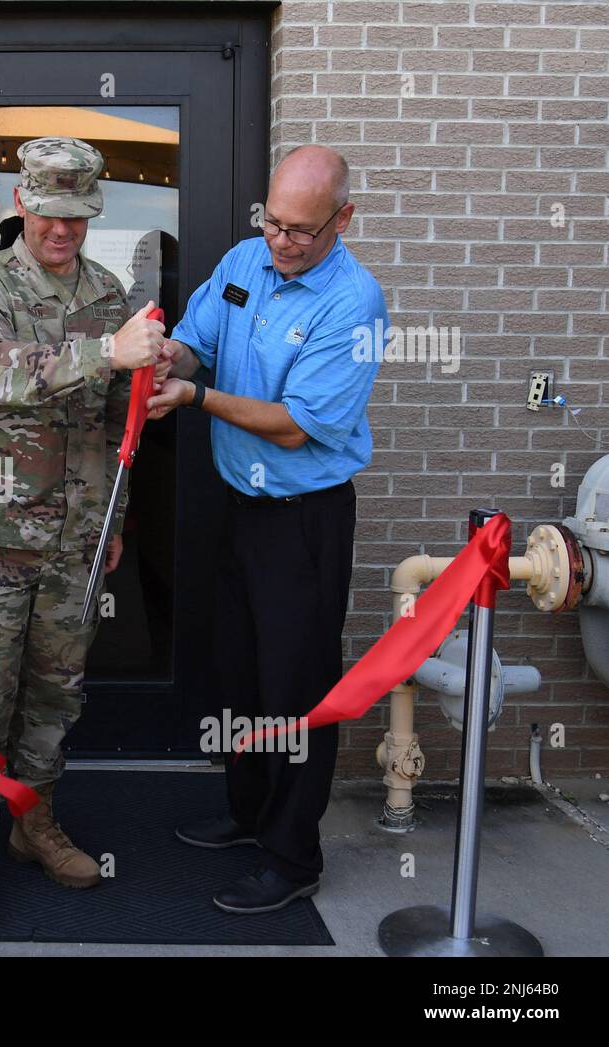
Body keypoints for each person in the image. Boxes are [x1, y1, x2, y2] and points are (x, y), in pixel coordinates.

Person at [0, 137, 167, 932]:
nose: (63, 229)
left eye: (79, 215)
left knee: (55, 694)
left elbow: (116, 422)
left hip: (76, 536)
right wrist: (105, 352)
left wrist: (117, 516)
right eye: (51, 213)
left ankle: (35, 819)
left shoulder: (107, 289)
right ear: (23, 203)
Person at [146, 144, 386, 914]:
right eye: (274, 221)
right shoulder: (246, 260)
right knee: (237, 672)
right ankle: (249, 814)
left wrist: (192, 396)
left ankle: (293, 855)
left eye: (302, 231)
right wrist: (164, 353)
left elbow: (295, 428)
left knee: (297, 689)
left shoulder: (354, 304)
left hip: (303, 522)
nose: (283, 241)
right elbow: (198, 338)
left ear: (342, 219)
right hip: (236, 507)